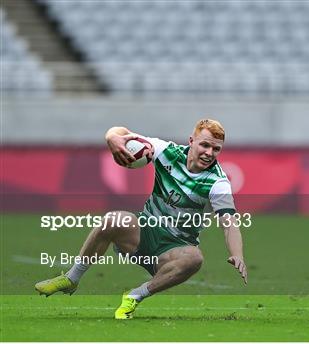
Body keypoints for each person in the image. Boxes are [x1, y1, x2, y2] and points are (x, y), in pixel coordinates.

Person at [35, 119, 248, 319]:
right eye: (205, 145)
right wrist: (112, 138)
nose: (209, 153)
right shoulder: (168, 152)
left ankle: (134, 296)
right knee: (113, 220)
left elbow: (229, 223)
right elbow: (121, 133)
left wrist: (237, 254)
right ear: (191, 141)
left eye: (216, 149)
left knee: (194, 258)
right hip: (143, 233)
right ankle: (71, 279)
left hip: (172, 250)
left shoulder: (218, 182)